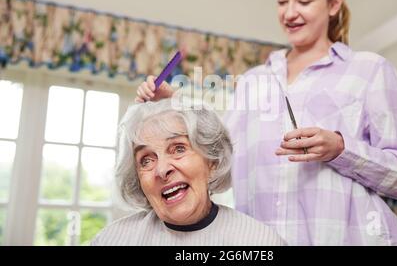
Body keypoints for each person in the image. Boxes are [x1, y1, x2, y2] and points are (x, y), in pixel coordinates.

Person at [135, 0, 397, 245]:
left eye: (304, 0)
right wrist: (173, 103)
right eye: (282, 1)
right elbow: (217, 152)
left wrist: (341, 148)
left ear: (334, 3)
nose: (289, 13)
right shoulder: (254, 81)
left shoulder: (369, 70)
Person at [91, 97, 286, 246]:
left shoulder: (259, 242)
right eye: (147, 160)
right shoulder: (111, 240)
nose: (162, 169)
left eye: (179, 149)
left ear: (212, 161)